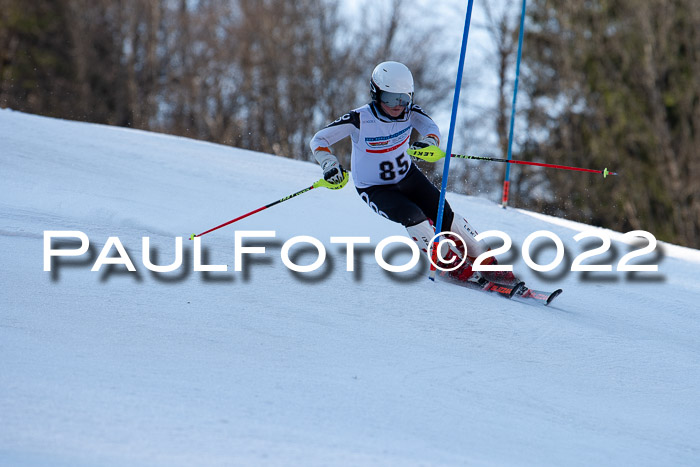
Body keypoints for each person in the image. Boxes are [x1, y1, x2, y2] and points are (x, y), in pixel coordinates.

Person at [309, 61, 518, 286]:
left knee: (446, 217)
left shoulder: (411, 114)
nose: (398, 106)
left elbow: (431, 129)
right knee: (413, 216)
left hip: (408, 177)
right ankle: (450, 264)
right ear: (375, 94)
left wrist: (429, 143)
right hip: (375, 188)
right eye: (390, 99)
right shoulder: (359, 119)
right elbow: (319, 140)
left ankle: (485, 261)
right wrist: (329, 164)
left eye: (404, 99)